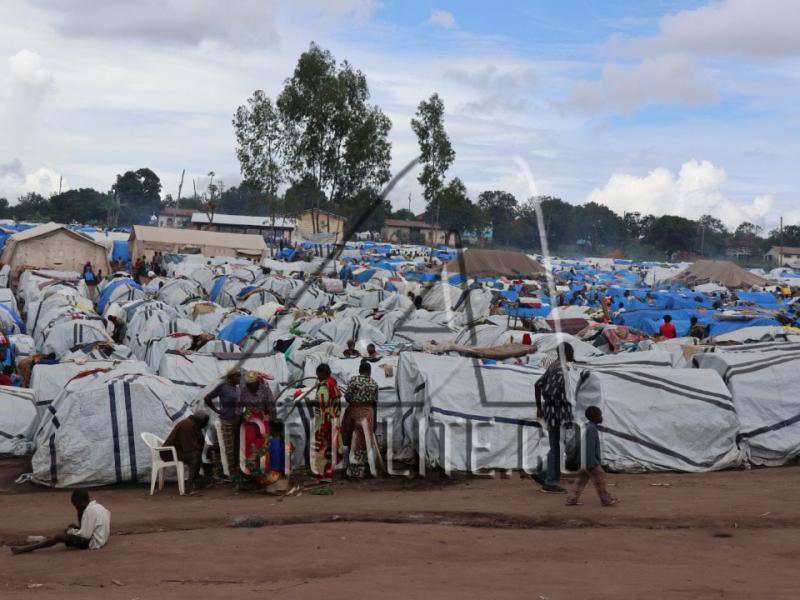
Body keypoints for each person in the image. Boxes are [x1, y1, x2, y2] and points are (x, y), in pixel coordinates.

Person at [11, 490, 110, 554]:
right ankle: (46, 540)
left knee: (59, 537)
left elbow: (85, 535)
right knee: (67, 532)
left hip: (93, 543)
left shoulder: (89, 511)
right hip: (102, 539)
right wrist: (76, 528)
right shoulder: (98, 507)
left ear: (82, 502)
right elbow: (91, 528)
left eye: (76, 505)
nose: (76, 508)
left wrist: (71, 531)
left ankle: (26, 549)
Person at [533, 342, 575, 494]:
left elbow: (538, 385)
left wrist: (539, 407)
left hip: (551, 412)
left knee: (555, 446)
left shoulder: (553, 366)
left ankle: (542, 473)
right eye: (570, 351)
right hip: (558, 413)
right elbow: (552, 392)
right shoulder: (561, 370)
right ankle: (551, 482)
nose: (572, 354)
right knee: (557, 447)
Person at [565, 407, 618, 507]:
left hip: (585, 461)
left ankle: (571, 500)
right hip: (591, 462)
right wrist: (591, 463)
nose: (601, 417)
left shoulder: (589, 427)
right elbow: (589, 447)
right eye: (600, 415)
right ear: (595, 417)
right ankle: (606, 500)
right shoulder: (592, 429)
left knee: (580, 482)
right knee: (600, 480)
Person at [343, 361, 379, 478]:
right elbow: (375, 403)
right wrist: (374, 421)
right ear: (370, 372)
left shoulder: (353, 380)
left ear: (359, 370)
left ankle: (354, 470)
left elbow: (347, 397)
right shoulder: (374, 383)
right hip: (369, 413)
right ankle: (366, 467)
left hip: (355, 412)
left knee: (353, 438)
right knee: (365, 439)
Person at [204, 370, 241, 480]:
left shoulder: (238, 388)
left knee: (230, 448)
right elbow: (207, 398)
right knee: (228, 449)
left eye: (240, 376)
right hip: (226, 421)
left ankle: (222, 472)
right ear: (230, 378)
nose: (239, 378)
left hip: (235, 422)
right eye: (237, 376)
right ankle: (230, 474)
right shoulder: (223, 387)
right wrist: (216, 410)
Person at [162, 411, 209, 493]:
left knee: (198, 454)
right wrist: (205, 448)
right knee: (195, 455)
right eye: (203, 423)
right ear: (199, 421)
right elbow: (189, 447)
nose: (203, 426)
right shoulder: (187, 425)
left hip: (178, 451)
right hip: (169, 453)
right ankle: (190, 485)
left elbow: (199, 441)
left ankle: (197, 480)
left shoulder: (193, 424)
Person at [312, 363, 342, 482]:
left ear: (322, 373)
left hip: (324, 421)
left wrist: (310, 403)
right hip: (335, 420)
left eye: (318, 375)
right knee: (331, 447)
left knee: (321, 448)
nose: (317, 377)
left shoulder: (324, 385)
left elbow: (322, 403)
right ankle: (329, 474)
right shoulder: (334, 383)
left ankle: (320, 475)